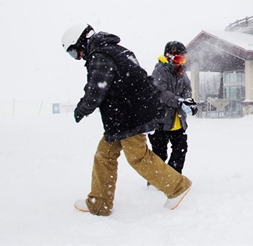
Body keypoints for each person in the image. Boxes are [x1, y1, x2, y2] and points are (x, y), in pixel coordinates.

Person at [62, 23, 192, 216]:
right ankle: (100, 203)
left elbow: (97, 88)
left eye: (75, 52)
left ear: (81, 41)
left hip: (128, 115)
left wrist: (82, 108)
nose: (79, 57)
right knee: (104, 155)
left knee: (137, 156)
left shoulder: (100, 55)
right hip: (124, 114)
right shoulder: (117, 50)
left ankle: (177, 187)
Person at [149, 41, 198, 176]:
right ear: (168, 57)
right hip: (161, 121)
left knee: (180, 150)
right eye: (178, 58)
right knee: (159, 154)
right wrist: (180, 101)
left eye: (183, 59)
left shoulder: (182, 72)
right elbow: (161, 93)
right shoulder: (159, 71)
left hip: (178, 121)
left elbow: (187, 88)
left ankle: (173, 177)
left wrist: (188, 102)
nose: (180, 62)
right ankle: (156, 181)